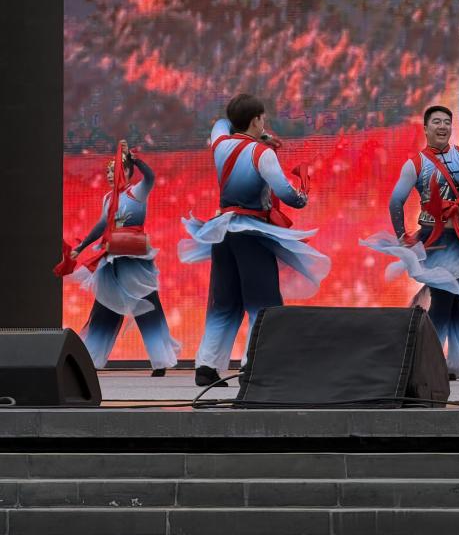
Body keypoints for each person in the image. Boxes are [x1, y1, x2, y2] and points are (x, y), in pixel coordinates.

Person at [179, 93, 329, 387]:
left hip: (222, 231)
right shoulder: (262, 154)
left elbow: (220, 123)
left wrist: (259, 134)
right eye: (262, 119)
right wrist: (303, 196)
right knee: (262, 301)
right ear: (257, 120)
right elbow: (287, 194)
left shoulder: (220, 143)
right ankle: (253, 365)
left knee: (225, 303)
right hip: (251, 233)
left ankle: (206, 366)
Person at [360, 105, 459, 381]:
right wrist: (401, 235)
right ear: (425, 128)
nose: (442, 127)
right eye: (436, 122)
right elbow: (396, 201)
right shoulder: (415, 164)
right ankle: (429, 364)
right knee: (442, 303)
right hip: (436, 240)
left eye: (447, 122)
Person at [64, 141, 179, 375]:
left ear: (126, 171)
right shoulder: (109, 198)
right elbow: (101, 225)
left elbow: (150, 177)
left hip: (134, 258)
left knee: (147, 306)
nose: (109, 175)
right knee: (105, 307)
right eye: (107, 171)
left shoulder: (136, 192)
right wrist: (82, 247)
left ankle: (161, 361)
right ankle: (92, 359)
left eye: (113, 170)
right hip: (112, 258)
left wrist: (135, 160)